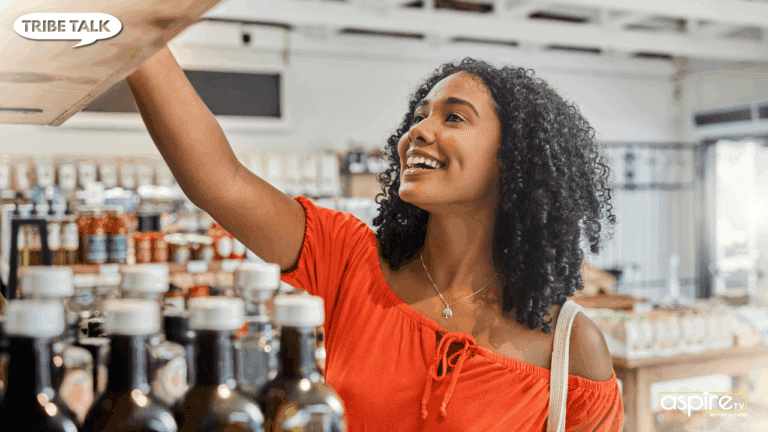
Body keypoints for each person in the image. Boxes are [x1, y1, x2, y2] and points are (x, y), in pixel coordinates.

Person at [127, 45, 623, 431]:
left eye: (453, 117)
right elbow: (219, 180)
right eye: (419, 116)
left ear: (513, 160)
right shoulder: (351, 261)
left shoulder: (569, 346)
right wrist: (130, 31)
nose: (419, 132)